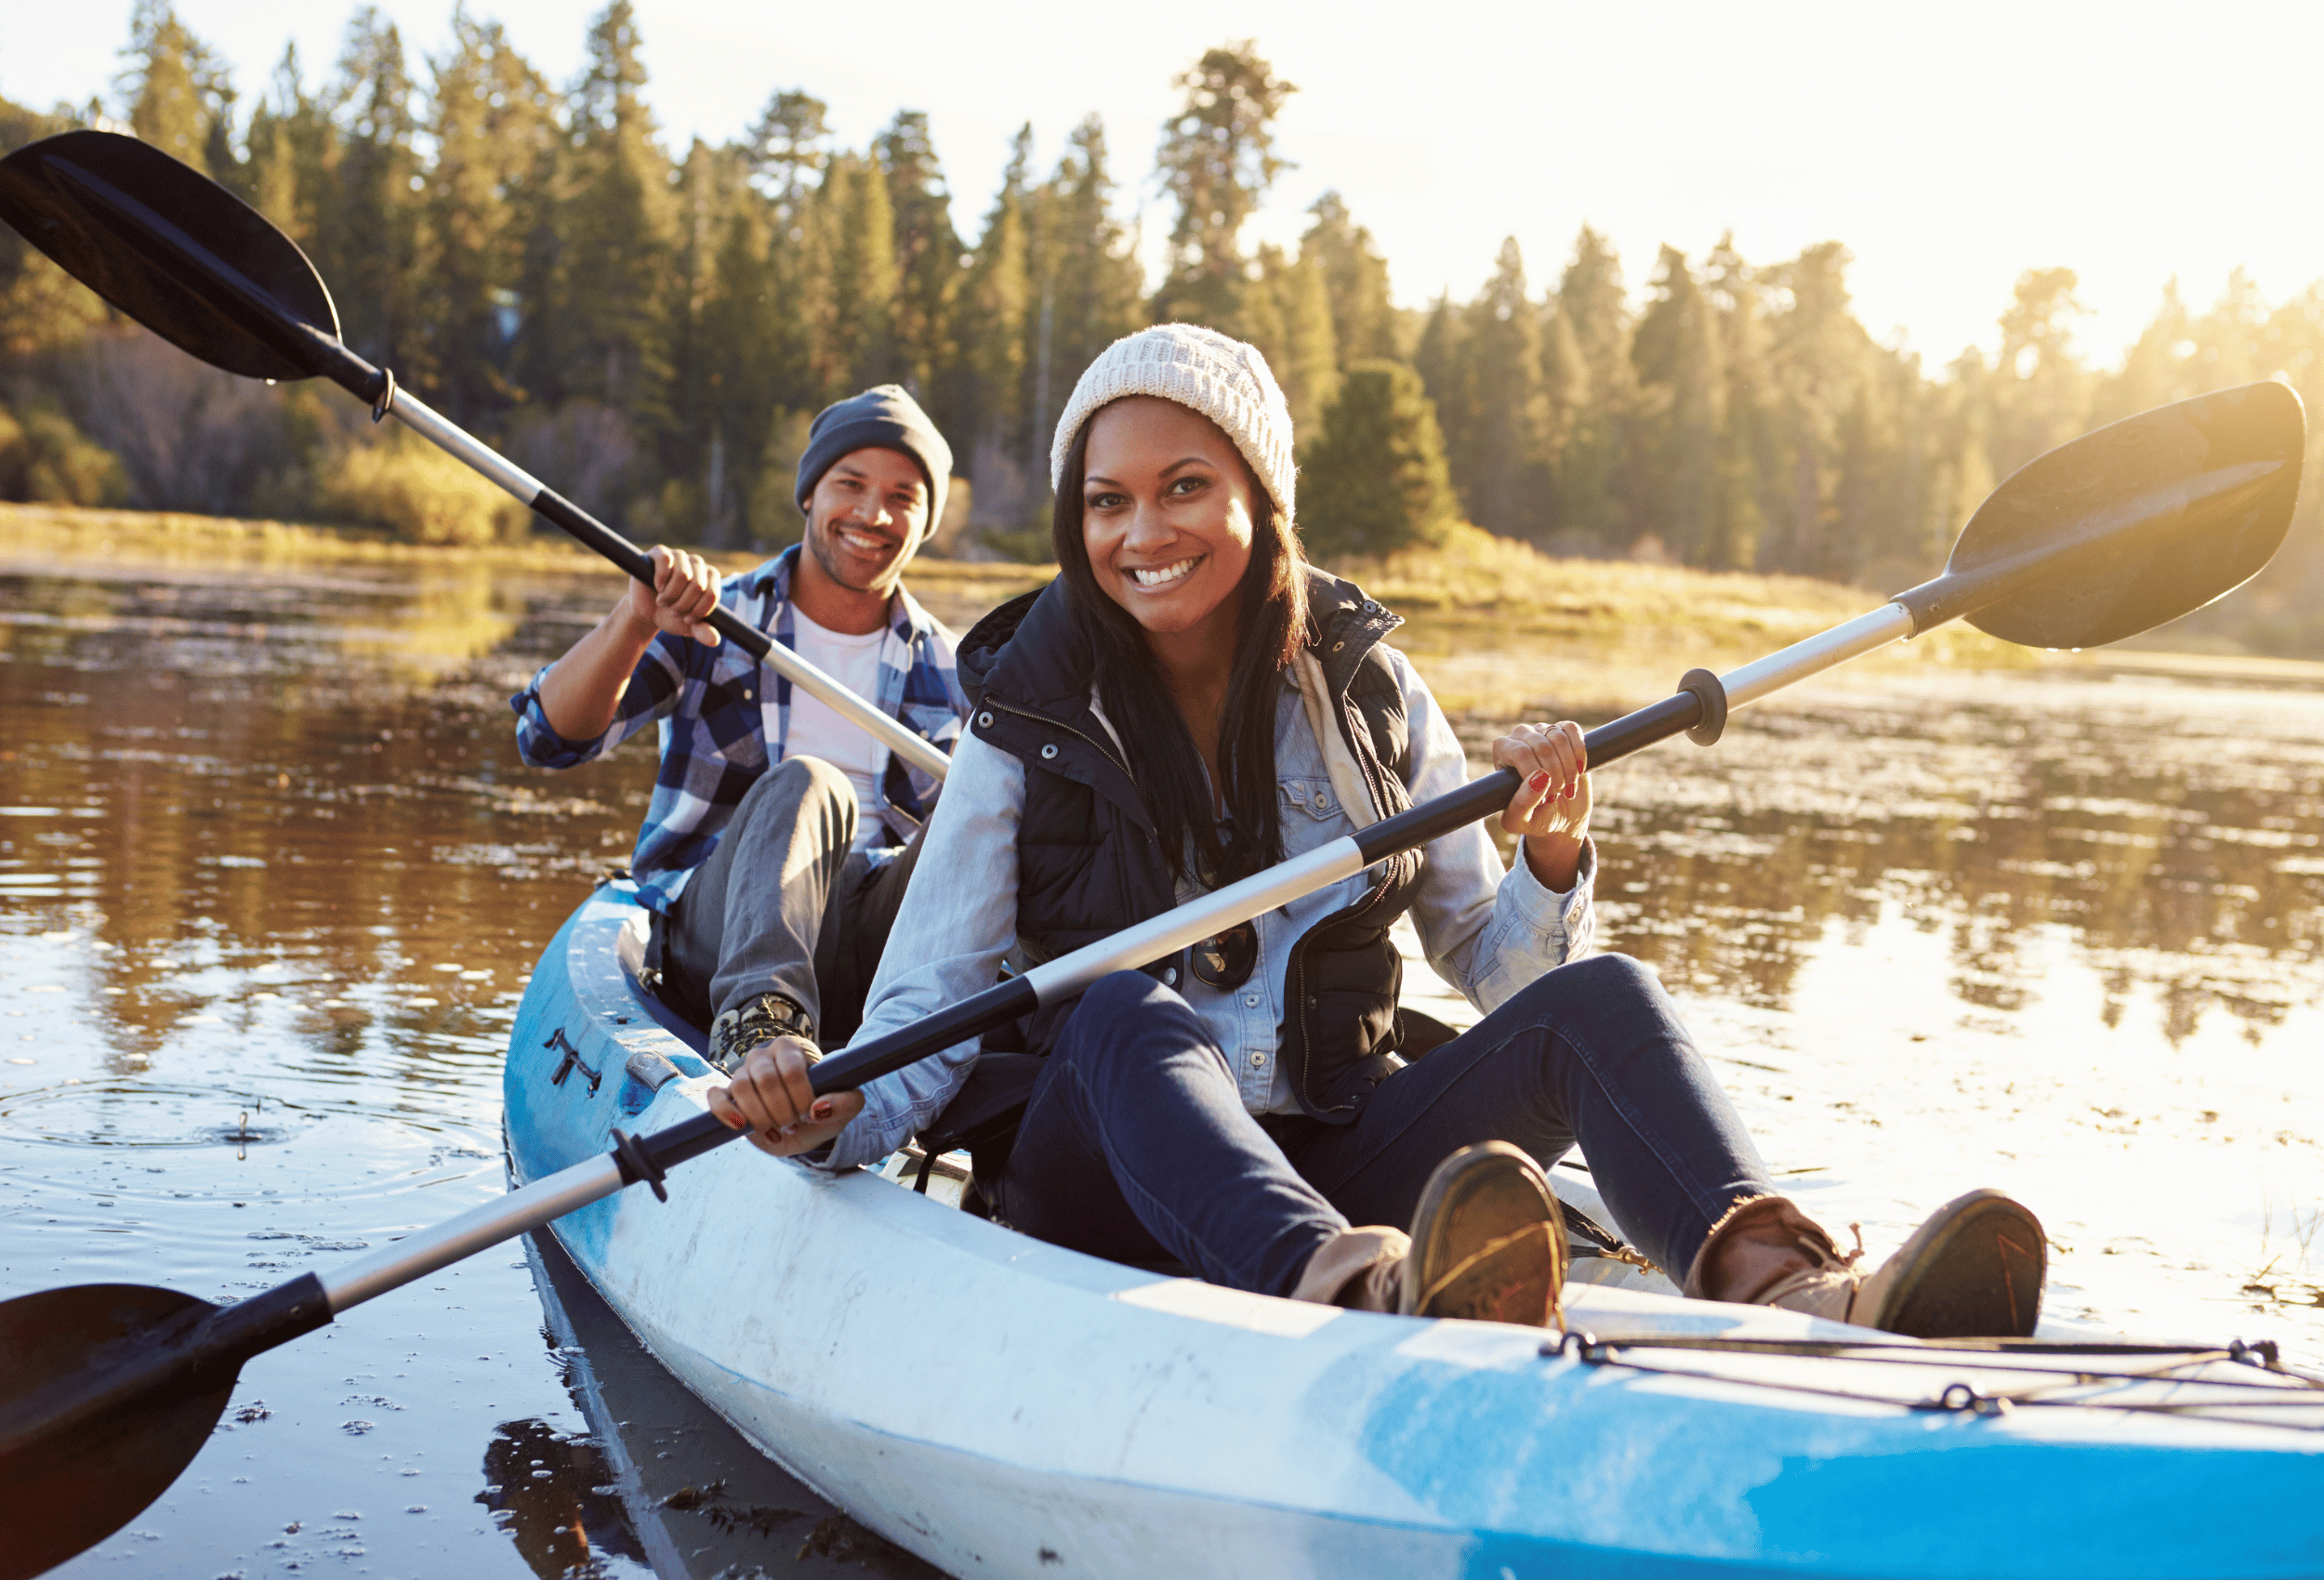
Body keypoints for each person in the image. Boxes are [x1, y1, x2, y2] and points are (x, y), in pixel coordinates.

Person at [709, 327, 2047, 1336]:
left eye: (1183, 488)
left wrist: (1552, 858)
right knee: (1123, 1015)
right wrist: (824, 1112)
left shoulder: (1369, 695)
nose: (1141, 532)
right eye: (1106, 502)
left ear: (1259, 500)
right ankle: (1352, 1291)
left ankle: (1796, 1286)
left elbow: (1498, 966)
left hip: (1335, 1144)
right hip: (1107, 1169)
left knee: (1606, 998)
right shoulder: (1024, 714)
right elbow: (930, 998)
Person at [511, 385, 969, 1071]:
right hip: (719, 933)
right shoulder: (713, 616)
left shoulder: (955, 667)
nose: (873, 514)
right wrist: (635, 622)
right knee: (809, 785)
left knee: (986, 808)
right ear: (810, 494)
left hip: (877, 955)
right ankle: (761, 1029)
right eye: (851, 483)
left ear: (927, 520)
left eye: (904, 497)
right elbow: (548, 740)